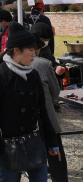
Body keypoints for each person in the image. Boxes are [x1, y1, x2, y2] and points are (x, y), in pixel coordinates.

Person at [0, 22, 60, 181]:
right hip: (8, 144)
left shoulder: (33, 75)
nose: (35, 54)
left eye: (35, 50)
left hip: (34, 140)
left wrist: (52, 142)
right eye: (31, 50)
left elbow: (43, 111)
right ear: (17, 51)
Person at [31, 34, 68, 182]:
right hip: (46, 116)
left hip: (25, 120)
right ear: (38, 48)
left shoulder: (7, 66)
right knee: (56, 151)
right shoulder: (44, 64)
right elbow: (55, 92)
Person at [31, 22, 66, 112]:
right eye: (43, 40)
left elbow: (53, 64)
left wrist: (58, 70)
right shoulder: (28, 52)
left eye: (48, 40)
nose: (46, 43)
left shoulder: (46, 50)